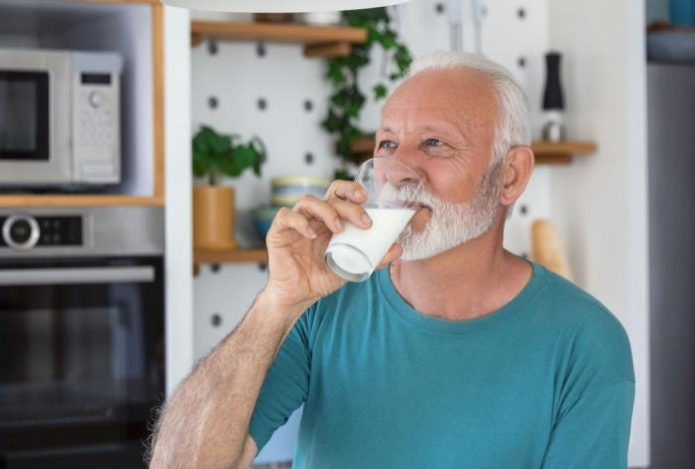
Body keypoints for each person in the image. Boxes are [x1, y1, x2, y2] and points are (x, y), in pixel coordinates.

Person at [149, 51, 635, 469]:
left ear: (509, 176)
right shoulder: (324, 306)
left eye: (434, 143)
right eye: (386, 144)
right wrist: (276, 303)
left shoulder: (585, 342)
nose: (398, 172)